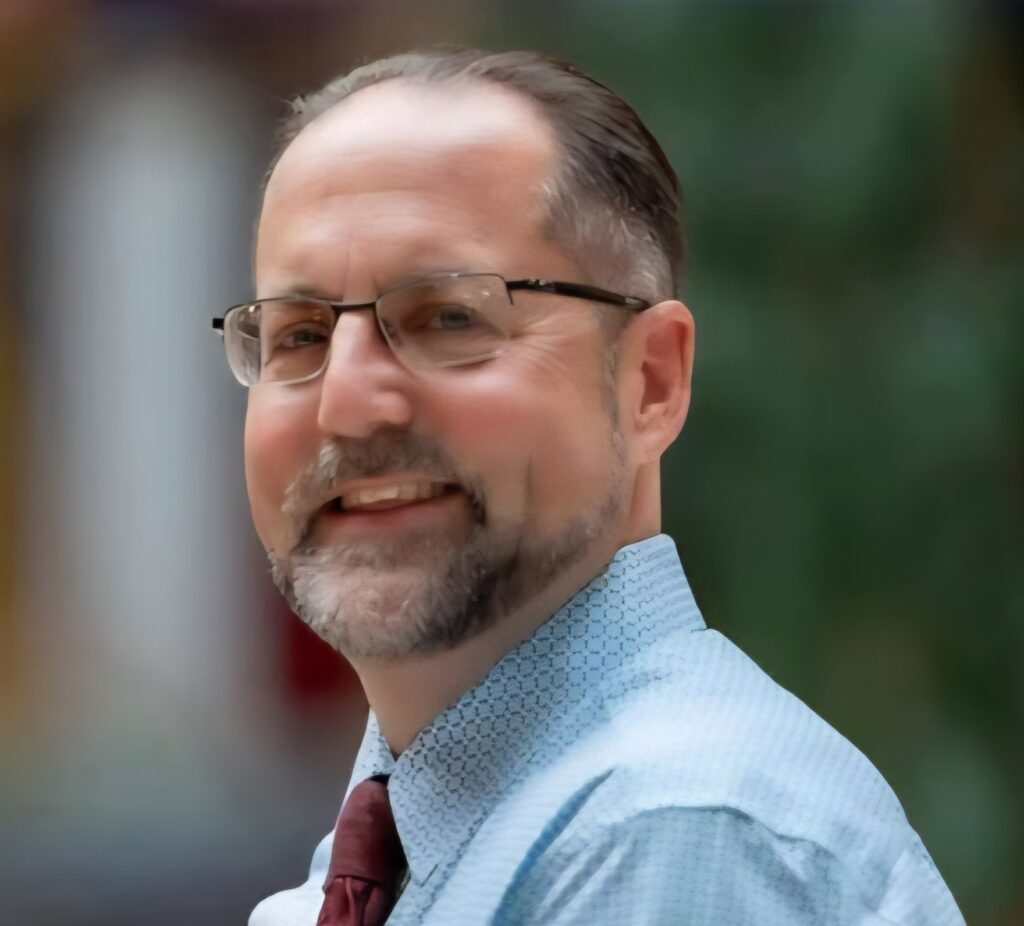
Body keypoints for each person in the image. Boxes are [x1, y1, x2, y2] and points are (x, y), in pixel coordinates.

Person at [214, 48, 965, 925]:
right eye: (299, 336)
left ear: (651, 382)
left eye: (449, 316)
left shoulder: (670, 835)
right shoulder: (427, 841)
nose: (345, 403)